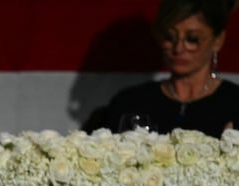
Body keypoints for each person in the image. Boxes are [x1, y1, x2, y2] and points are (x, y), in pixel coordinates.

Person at [84, 0, 239, 138]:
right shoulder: (130, 102)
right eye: (169, 37)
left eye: (192, 39)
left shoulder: (234, 103)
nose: (178, 48)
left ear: (218, 41)